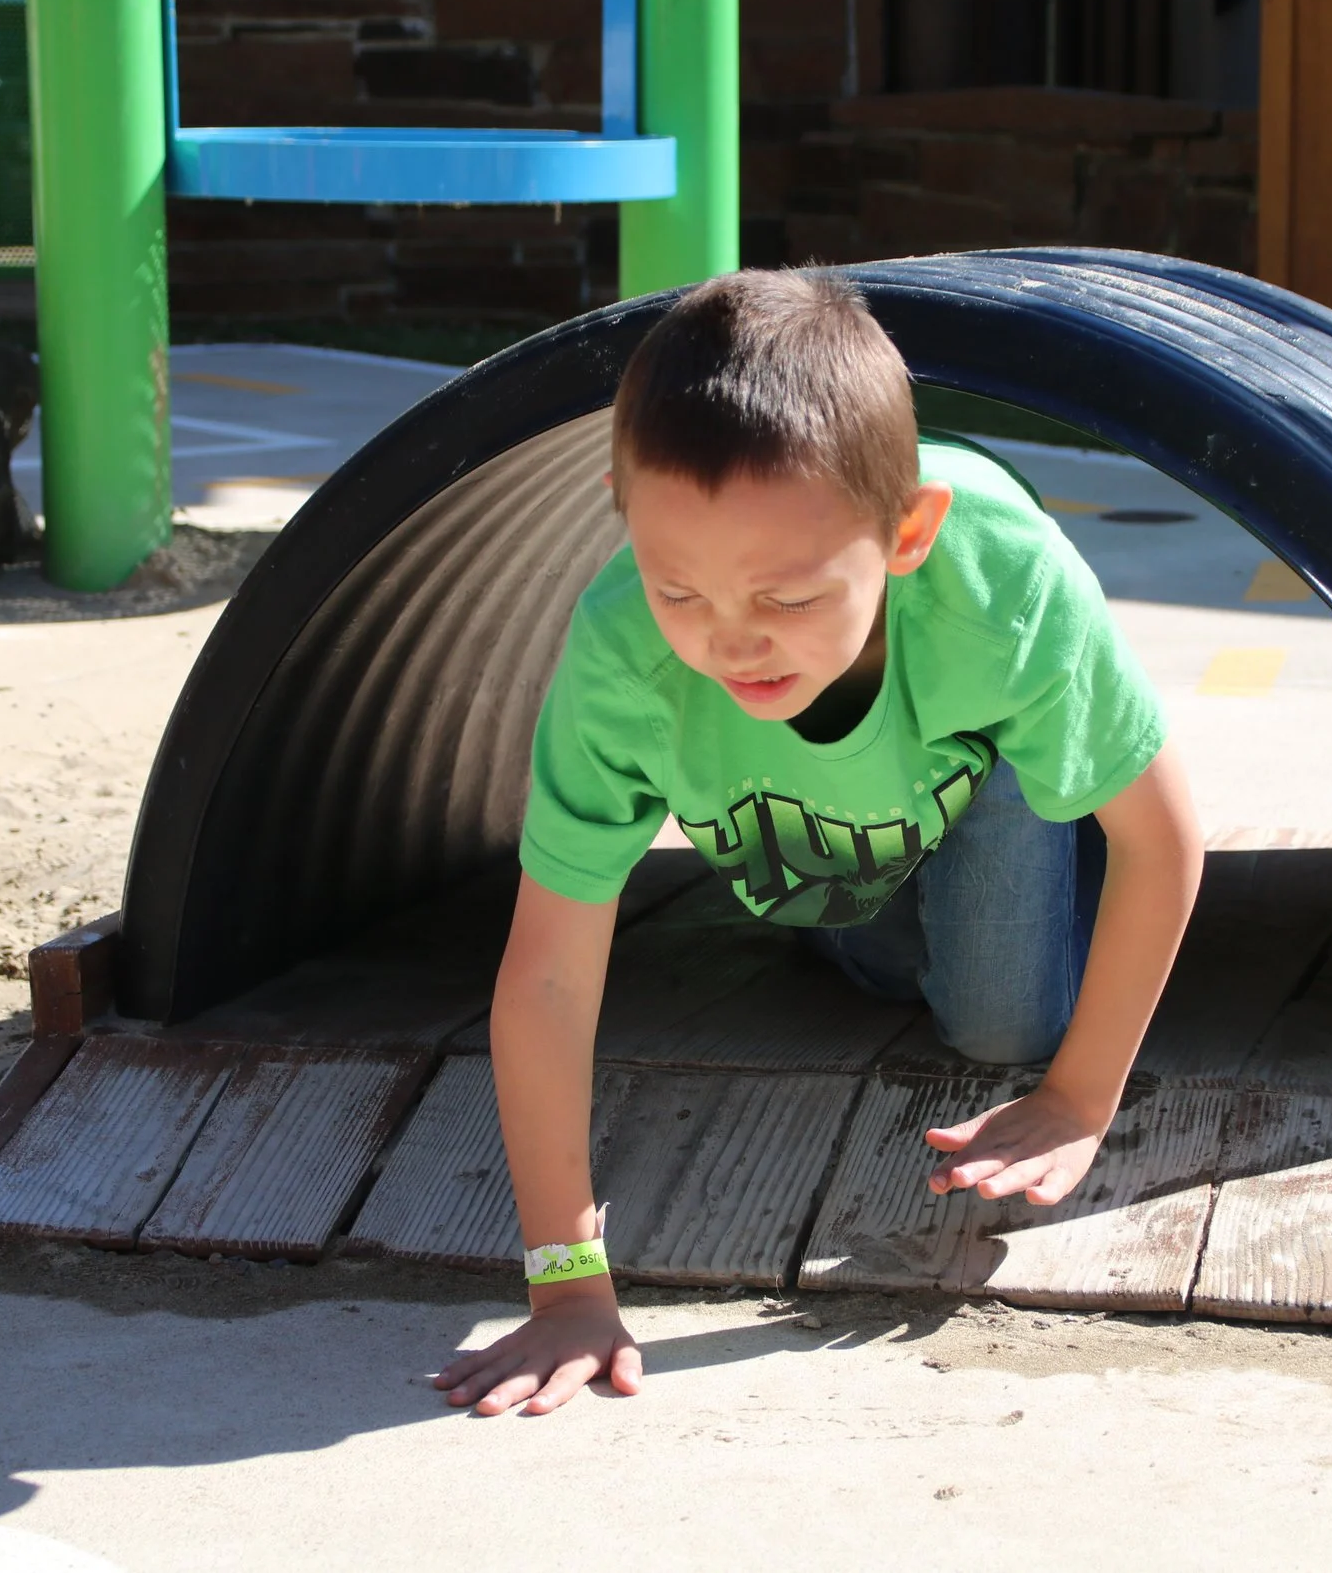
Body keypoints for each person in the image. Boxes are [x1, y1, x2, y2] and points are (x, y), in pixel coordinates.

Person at [435, 268, 1203, 1417]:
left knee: (1002, 1022)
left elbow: (1166, 837)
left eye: (787, 599)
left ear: (905, 534)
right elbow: (545, 967)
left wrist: (1081, 1094)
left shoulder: (998, 579)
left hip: (972, 763)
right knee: (823, 909)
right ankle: (865, 898)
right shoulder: (622, 654)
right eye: (677, 587)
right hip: (820, 852)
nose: (730, 639)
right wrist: (565, 1284)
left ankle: (1029, 813)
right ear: (623, 510)